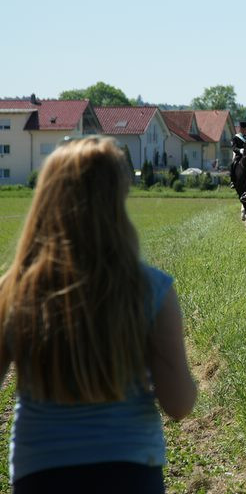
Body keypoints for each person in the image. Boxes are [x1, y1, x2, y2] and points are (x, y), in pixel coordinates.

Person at [0, 136, 197, 493]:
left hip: (40, 471)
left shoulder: (13, 289)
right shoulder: (153, 290)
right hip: (130, 471)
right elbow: (179, 404)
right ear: (118, 200)